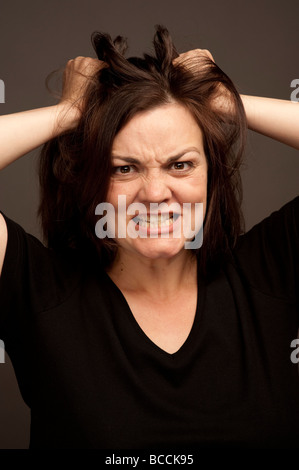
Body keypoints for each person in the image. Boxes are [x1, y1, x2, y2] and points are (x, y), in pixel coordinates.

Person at [0, 25, 298, 449]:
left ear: (212, 177)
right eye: (124, 168)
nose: (155, 194)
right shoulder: (41, 294)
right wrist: (68, 113)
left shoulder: (267, 276)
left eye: (180, 164)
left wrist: (222, 100)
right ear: (89, 183)